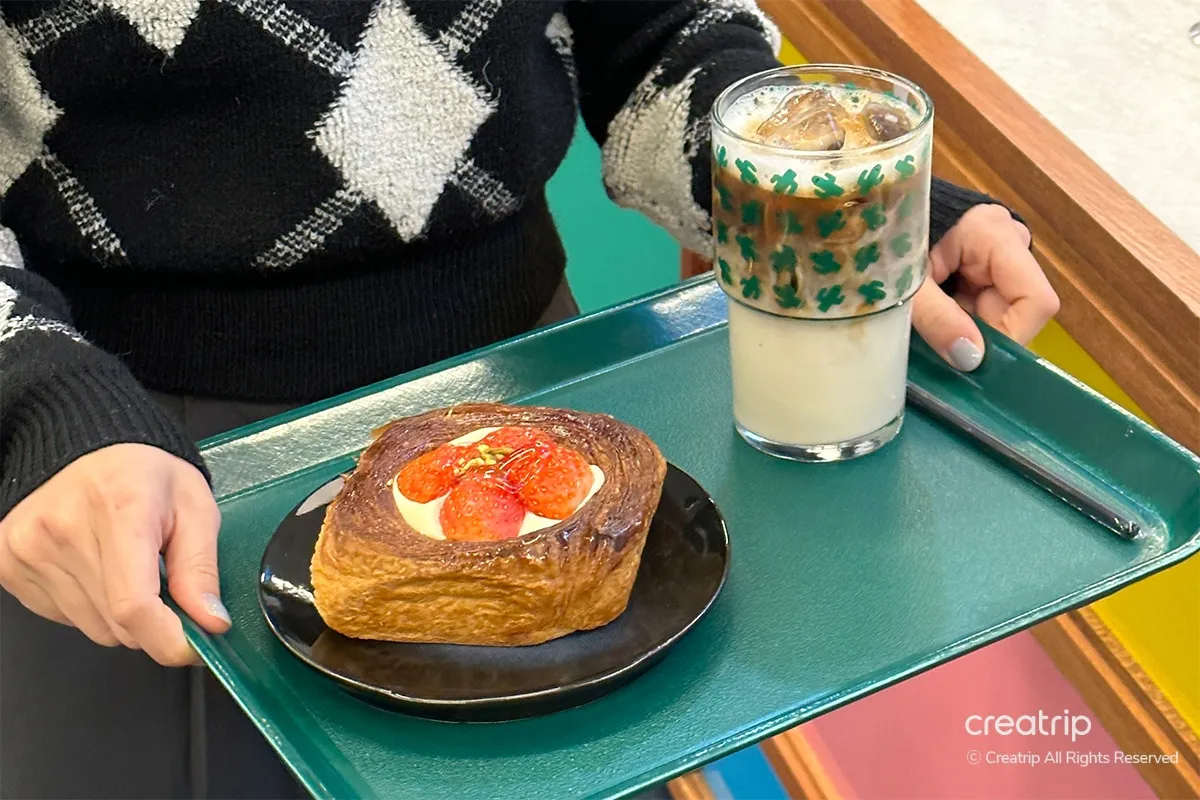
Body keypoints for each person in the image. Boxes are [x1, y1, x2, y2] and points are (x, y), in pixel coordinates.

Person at [0, 0, 1059, 796]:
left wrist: (842, 195)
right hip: (122, 464)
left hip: (543, 391)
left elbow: (659, 32)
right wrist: (34, 391)